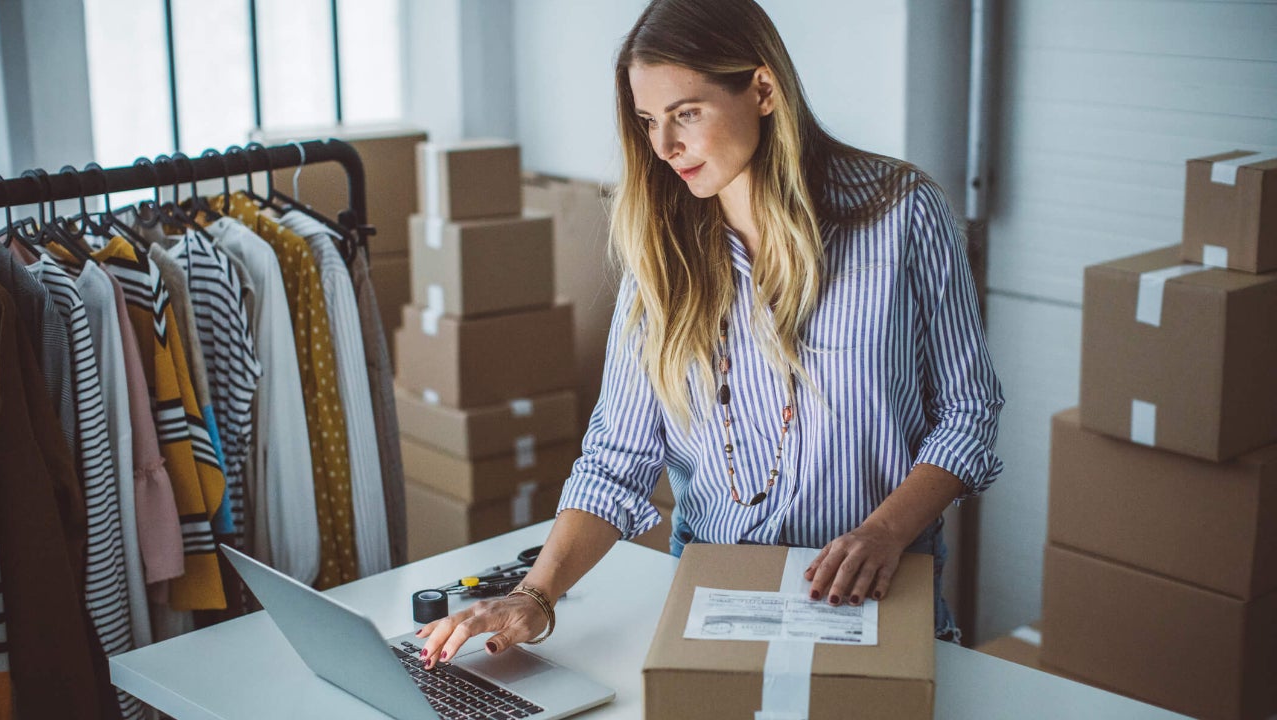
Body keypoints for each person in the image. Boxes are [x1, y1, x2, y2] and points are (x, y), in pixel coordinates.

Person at [416, 0, 1003, 666]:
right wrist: (536, 596)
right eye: (648, 122)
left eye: (686, 113)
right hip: (718, 604)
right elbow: (616, 460)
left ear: (762, 89)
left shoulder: (902, 214)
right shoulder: (661, 255)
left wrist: (884, 533)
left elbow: (968, 413)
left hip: (877, 598)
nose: (664, 147)